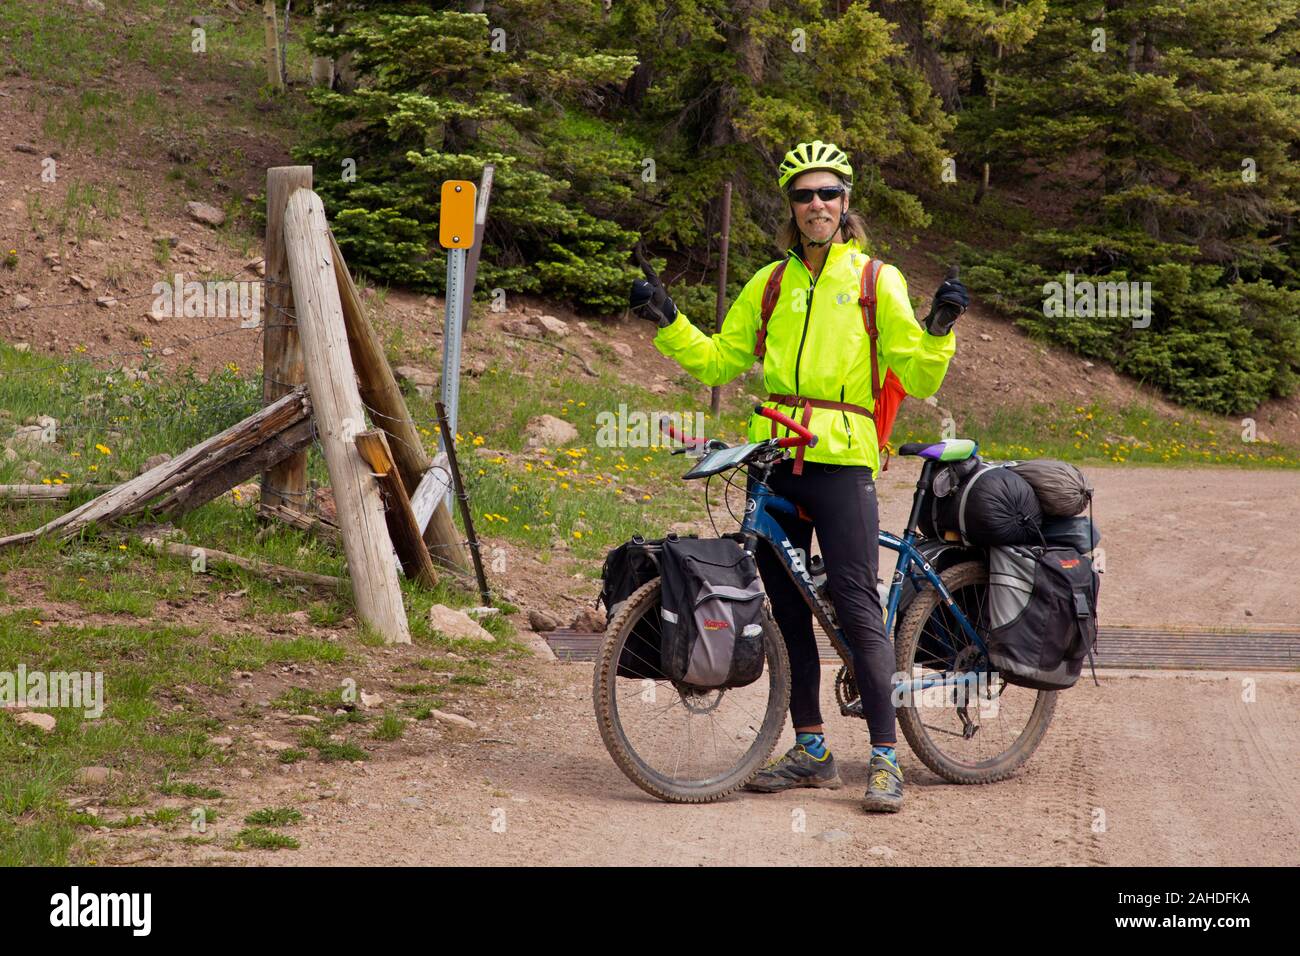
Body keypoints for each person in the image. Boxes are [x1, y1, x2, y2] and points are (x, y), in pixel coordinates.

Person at [629, 140, 967, 812]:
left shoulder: (877, 279)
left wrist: (938, 326)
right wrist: (669, 320)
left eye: (829, 194)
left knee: (856, 605)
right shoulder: (772, 282)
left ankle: (882, 756)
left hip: (842, 459)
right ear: (791, 207)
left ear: (847, 204)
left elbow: (920, 373)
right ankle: (812, 747)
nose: (817, 205)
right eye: (805, 195)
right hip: (775, 460)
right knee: (786, 612)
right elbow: (722, 360)